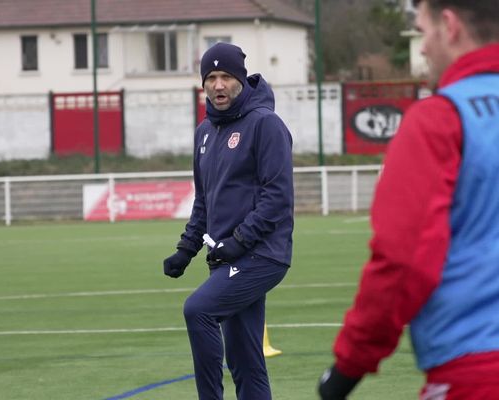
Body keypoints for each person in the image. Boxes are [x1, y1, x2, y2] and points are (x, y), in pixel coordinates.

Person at [317, 1, 499, 399]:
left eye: (422, 31)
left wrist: (348, 366)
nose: (422, 48)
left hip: (476, 370)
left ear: (449, 26)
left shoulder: (440, 119)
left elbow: (404, 259)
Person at [162, 42, 294, 399]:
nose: (219, 85)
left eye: (226, 77)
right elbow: (204, 199)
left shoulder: (266, 125)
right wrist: (185, 250)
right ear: (203, 83)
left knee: (198, 310)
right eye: (211, 78)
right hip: (227, 257)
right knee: (245, 360)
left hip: (262, 254)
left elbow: (277, 197)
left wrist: (239, 240)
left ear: (240, 80)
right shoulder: (205, 132)